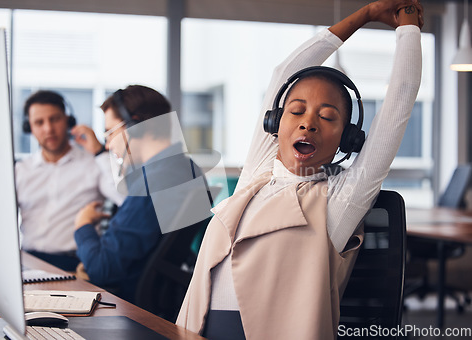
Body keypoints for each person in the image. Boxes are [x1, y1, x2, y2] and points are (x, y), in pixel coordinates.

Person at [176, 1, 423, 339]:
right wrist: (364, 15)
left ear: (346, 139)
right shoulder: (257, 175)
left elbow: (399, 102)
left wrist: (408, 25)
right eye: (297, 111)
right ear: (276, 123)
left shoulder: (338, 201)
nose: (308, 123)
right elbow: (284, 73)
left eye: (327, 117)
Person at [73, 85, 211, 303]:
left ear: (135, 126)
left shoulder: (154, 181)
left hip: (131, 309)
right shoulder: (187, 168)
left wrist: (83, 226)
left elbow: (103, 268)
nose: (108, 144)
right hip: (166, 299)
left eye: (110, 133)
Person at [15, 90, 125, 272]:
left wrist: (99, 152)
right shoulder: (20, 170)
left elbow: (125, 198)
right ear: (29, 128)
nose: (48, 129)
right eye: (39, 122)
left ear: (68, 121)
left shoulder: (93, 163)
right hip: (27, 262)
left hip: (73, 266)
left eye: (55, 119)